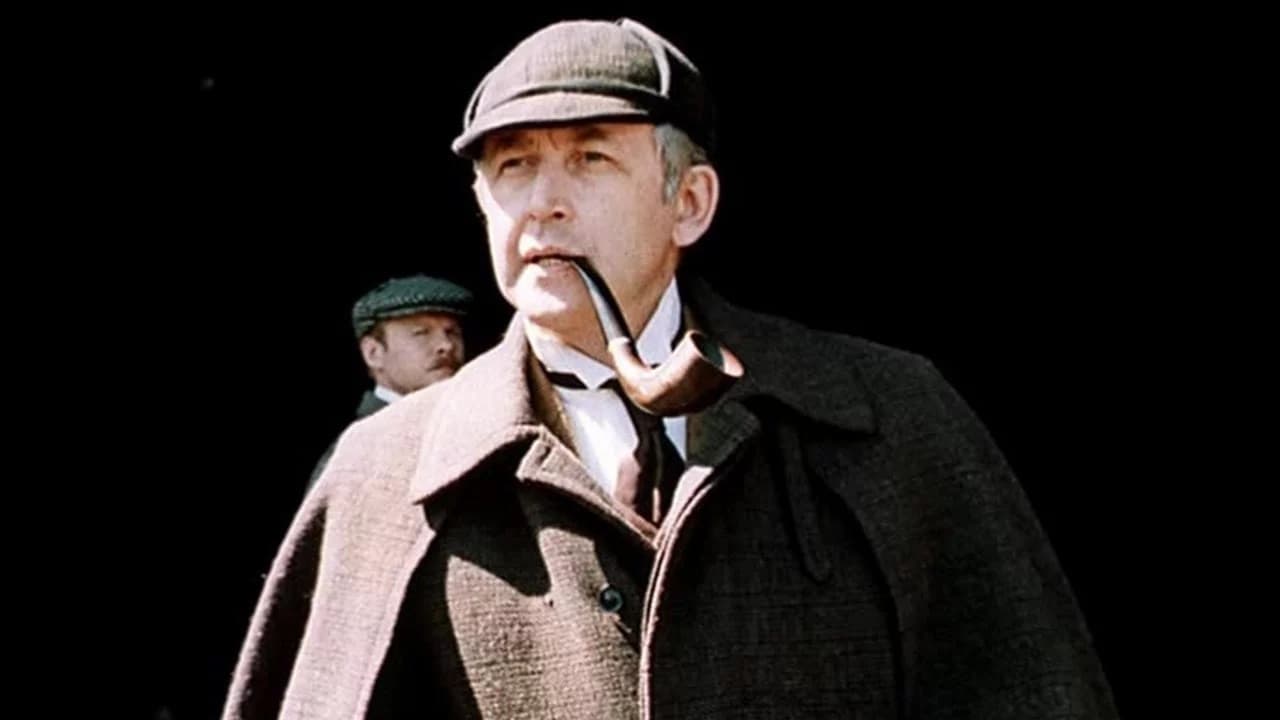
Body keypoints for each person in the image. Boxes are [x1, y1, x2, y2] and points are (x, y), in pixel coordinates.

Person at [225, 18, 1117, 719]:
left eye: (590, 157)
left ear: (689, 202)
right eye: (514, 166)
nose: (543, 202)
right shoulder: (387, 475)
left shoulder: (892, 418)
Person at [308, 274, 472, 486]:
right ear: (373, 353)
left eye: (452, 332)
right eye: (421, 333)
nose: (446, 345)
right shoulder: (354, 454)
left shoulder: (467, 426)